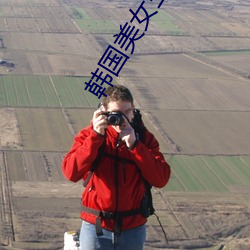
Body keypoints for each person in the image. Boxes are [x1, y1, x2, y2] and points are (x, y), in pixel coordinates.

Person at [62, 85, 171, 250]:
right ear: (104, 111)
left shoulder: (144, 139)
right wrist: (96, 137)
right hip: (96, 226)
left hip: (132, 228)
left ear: (133, 110)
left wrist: (135, 146)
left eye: (127, 112)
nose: (122, 119)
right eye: (116, 113)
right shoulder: (90, 135)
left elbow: (161, 178)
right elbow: (71, 172)